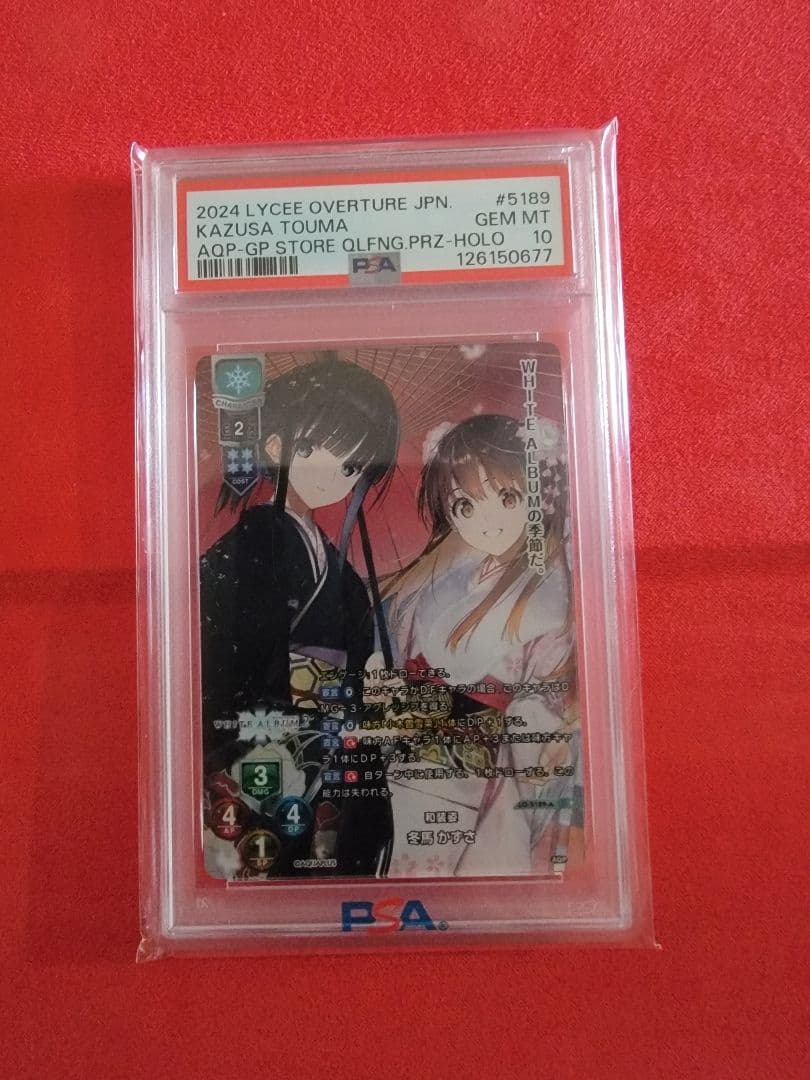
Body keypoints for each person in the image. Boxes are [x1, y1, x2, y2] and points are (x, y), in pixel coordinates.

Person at [200, 354, 399, 878]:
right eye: (311, 449)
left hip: (326, 737)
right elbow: (223, 652)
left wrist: (369, 679)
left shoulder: (337, 565)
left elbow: (359, 650)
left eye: (351, 466)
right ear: (275, 445)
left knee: (337, 847)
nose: (333, 475)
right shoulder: (252, 542)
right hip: (268, 734)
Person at [370, 413, 583, 877]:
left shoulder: (552, 597)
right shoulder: (447, 582)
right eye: (464, 506)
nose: (485, 521)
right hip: (407, 769)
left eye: (507, 498)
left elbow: (539, 709)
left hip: (476, 779)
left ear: (541, 497)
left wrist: (539, 733)